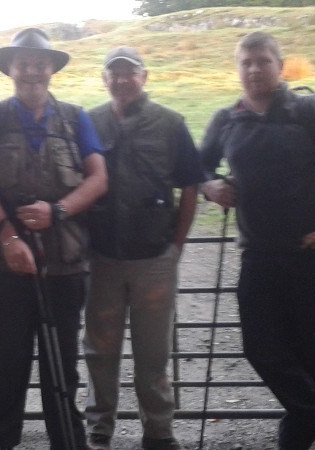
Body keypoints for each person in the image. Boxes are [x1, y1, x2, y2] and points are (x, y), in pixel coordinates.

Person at [199, 31, 315, 450]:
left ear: (280, 66)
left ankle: (297, 441)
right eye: (246, 62)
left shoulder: (309, 110)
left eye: (263, 61)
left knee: (314, 354)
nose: (254, 69)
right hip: (257, 254)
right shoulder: (227, 119)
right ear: (237, 68)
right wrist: (210, 186)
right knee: (260, 347)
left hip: (310, 252)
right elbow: (197, 167)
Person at [0, 28, 108, 449]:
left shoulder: (76, 118)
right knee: (6, 364)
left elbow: (99, 179)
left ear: (51, 69)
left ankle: (67, 443)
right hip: (6, 265)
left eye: (39, 63)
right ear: (10, 69)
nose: (32, 71)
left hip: (65, 264)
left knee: (61, 367)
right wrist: (9, 238)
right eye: (23, 63)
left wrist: (57, 211)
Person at [82, 47, 204, 450]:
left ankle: (158, 430)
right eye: (114, 73)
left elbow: (190, 186)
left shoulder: (171, 124)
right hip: (102, 258)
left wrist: (176, 247)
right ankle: (100, 427)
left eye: (130, 72)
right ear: (104, 79)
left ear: (144, 77)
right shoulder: (88, 122)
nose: (122, 80)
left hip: (154, 258)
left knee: (153, 353)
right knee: (100, 350)